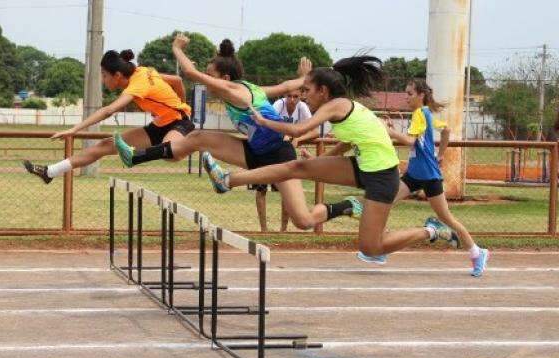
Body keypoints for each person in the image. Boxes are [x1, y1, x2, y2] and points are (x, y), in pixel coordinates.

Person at [202, 55, 461, 262]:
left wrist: (262, 120)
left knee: (372, 248)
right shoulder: (340, 107)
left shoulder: (335, 105)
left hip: (382, 177)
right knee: (296, 167)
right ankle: (227, 179)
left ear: (323, 91)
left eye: (307, 90)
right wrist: (322, 160)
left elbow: (296, 130)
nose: (303, 96)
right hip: (363, 166)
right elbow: (348, 141)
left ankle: (431, 230)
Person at [114, 34, 360, 231]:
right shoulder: (250, 88)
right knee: (199, 137)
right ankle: (136, 156)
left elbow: (190, 73)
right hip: (251, 151)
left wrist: (177, 48)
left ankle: (346, 205)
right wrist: (303, 77)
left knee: (303, 221)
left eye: (211, 75)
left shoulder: (236, 93)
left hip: (279, 156)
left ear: (225, 78)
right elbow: (284, 86)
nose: (206, 81)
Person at [23, 49, 194, 183]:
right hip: (160, 124)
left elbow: (108, 111)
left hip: (180, 123)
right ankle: (49, 172)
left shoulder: (137, 85)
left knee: (171, 151)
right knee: (105, 145)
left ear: (117, 75)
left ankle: (135, 156)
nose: (103, 81)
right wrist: (178, 104)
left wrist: (74, 129)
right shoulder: (143, 71)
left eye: (104, 76)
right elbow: (177, 80)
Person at [385, 79, 489, 276]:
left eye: (409, 94)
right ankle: (382, 247)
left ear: (421, 95)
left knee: (446, 217)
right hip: (415, 174)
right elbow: (446, 130)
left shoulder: (419, 114)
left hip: (429, 176)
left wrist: (390, 131)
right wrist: (439, 155)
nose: (406, 97)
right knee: (386, 202)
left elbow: (410, 141)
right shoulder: (424, 114)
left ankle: (477, 251)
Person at [251, 89, 318, 232]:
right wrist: (285, 134)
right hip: (267, 148)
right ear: (284, 96)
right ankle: (264, 229)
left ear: (301, 97)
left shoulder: (302, 108)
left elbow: (315, 131)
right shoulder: (277, 105)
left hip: (284, 152)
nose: (292, 100)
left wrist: (297, 138)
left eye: (296, 97)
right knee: (261, 189)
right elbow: (266, 124)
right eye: (289, 96)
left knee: (286, 192)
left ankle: (283, 229)